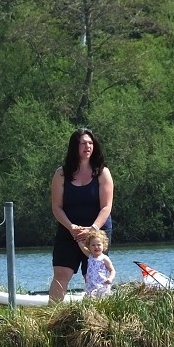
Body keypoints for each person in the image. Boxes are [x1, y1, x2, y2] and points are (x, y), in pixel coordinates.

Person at [49, 128, 114, 303]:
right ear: (74, 147)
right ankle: (50, 315)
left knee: (92, 272)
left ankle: (96, 316)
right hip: (69, 229)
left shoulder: (102, 172)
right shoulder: (61, 174)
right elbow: (56, 207)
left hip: (96, 231)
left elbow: (106, 207)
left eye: (90, 143)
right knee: (62, 272)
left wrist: (92, 230)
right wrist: (71, 227)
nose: (88, 146)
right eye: (83, 143)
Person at [80, 229, 115, 298]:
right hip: (90, 285)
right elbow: (82, 247)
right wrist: (79, 239)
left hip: (102, 285)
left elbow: (112, 270)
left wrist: (110, 278)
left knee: (102, 298)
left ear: (103, 245)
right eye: (93, 245)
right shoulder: (90, 256)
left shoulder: (104, 258)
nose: (96, 247)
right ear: (89, 246)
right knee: (90, 299)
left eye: (99, 245)